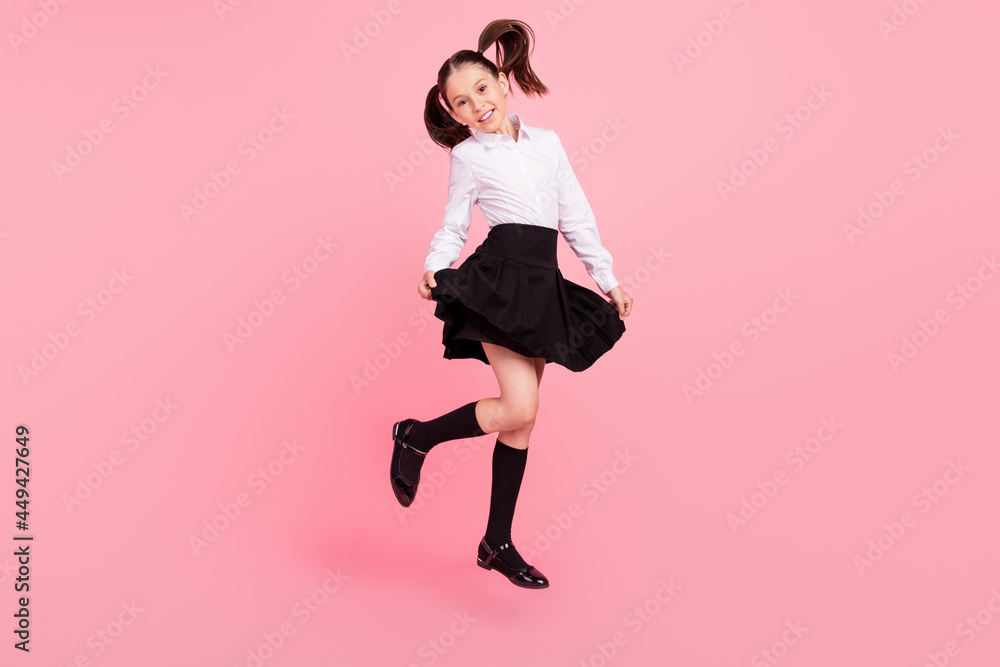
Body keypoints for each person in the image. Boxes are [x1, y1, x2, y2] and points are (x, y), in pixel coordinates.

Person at [390, 18, 634, 590]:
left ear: (501, 82)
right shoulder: (469, 158)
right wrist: (434, 265)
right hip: (498, 280)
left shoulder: (548, 143)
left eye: (480, 89)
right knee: (519, 407)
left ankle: (495, 543)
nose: (474, 104)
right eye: (460, 102)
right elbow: (454, 225)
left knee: (521, 424)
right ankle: (415, 437)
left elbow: (574, 215)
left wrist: (607, 277)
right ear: (452, 115)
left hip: (542, 281)